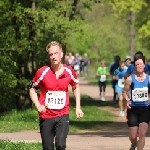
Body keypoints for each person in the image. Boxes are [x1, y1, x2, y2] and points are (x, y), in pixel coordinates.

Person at [29, 41, 84, 150]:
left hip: (63, 114)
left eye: (56, 53)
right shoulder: (42, 72)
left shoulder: (69, 71)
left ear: (62, 54)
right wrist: (38, 104)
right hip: (46, 115)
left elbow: (75, 86)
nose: (54, 57)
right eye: (51, 54)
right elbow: (32, 88)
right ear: (48, 56)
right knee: (48, 147)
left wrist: (78, 107)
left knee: (60, 145)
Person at [123, 55, 150, 150]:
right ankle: (133, 144)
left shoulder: (149, 79)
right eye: (137, 64)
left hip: (145, 109)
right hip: (133, 109)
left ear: (144, 65)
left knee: (142, 133)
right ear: (135, 66)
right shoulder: (130, 79)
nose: (139, 66)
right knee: (134, 136)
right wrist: (127, 100)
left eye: (141, 64)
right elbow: (124, 92)